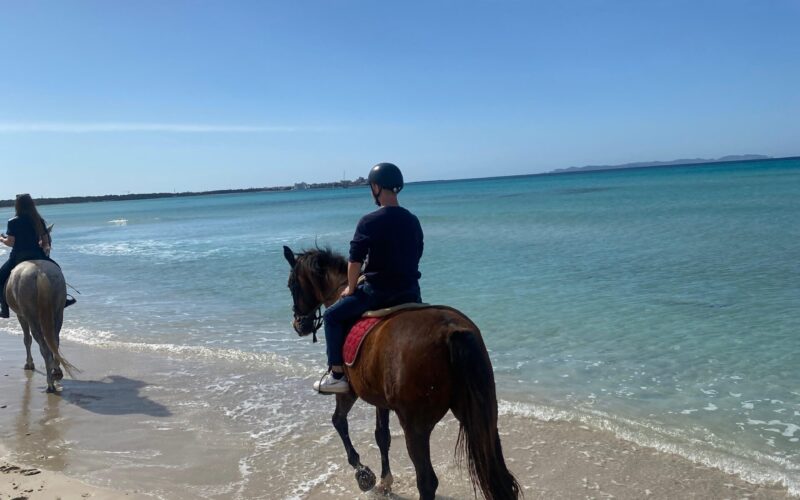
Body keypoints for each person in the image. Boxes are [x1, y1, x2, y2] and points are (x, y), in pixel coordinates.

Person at [314, 163, 424, 394]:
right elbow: (417, 253)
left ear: (376, 186)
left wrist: (351, 288)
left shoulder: (369, 221)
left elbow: (355, 261)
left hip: (378, 293)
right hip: (411, 292)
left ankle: (336, 375)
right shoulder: (412, 220)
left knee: (332, 316)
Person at [0, 194, 75, 318]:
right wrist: (43, 246)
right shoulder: (38, 220)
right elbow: (45, 243)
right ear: (31, 204)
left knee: (1, 278)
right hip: (37, 254)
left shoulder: (13, 221)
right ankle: (63, 300)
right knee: (57, 270)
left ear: (17, 205)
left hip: (18, 256)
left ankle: (4, 309)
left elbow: (11, 243)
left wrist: (2, 239)